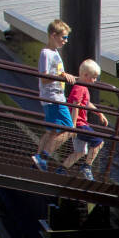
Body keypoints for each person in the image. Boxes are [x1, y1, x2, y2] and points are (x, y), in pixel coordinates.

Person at [32, 20, 76, 170]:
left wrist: (64, 74)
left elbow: (56, 71)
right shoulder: (46, 53)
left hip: (56, 97)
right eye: (63, 37)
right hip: (53, 98)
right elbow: (44, 77)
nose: (65, 41)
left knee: (51, 131)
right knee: (69, 129)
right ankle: (43, 157)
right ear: (53, 35)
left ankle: (39, 159)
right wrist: (61, 77)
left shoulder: (55, 53)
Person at [60, 59, 108, 181]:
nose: (95, 80)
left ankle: (61, 170)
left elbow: (86, 103)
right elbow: (76, 105)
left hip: (78, 124)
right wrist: (73, 125)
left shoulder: (82, 88)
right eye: (94, 77)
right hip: (79, 124)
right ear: (85, 75)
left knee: (80, 152)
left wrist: (98, 113)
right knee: (98, 142)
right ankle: (87, 166)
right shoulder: (80, 88)